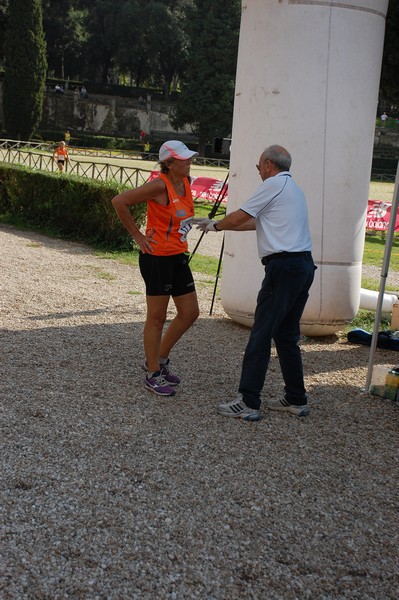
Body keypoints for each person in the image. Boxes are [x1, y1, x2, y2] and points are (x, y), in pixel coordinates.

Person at [195, 145, 316, 420]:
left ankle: (249, 401)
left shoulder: (272, 185)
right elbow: (256, 224)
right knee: (286, 336)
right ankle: (296, 398)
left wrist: (217, 226)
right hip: (303, 266)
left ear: (269, 165)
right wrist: (217, 223)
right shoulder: (292, 189)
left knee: (261, 334)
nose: (259, 171)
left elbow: (243, 215)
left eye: (259, 166)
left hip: (283, 268)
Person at [111, 140, 200, 397]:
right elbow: (120, 201)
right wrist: (138, 236)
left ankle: (159, 360)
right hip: (157, 257)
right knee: (157, 317)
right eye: (184, 159)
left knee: (190, 312)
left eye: (189, 157)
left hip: (177, 255)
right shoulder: (160, 184)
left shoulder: (186, 183)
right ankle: (152, 373)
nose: (189, 161)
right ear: (169, 163)